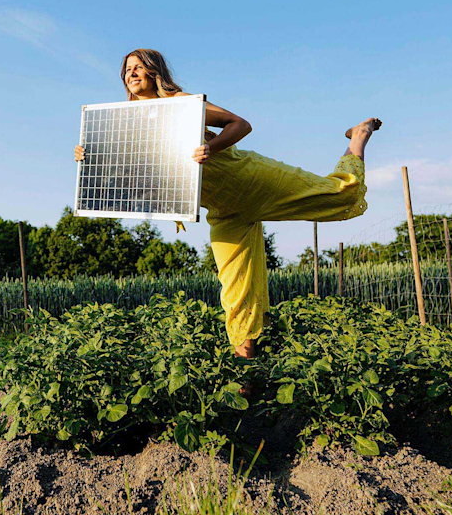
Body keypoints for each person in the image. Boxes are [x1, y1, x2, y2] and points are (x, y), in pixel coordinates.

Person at [74, 48, 380, 359]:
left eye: (139, 67)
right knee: (237, 293)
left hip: (249, 179)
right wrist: (90, 157)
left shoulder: (181, 105)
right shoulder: (125, 126)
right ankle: (245, 371)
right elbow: (131, 180)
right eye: (127, 70)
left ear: (155, 72)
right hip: (224, 211)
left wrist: (209, 145)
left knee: (344, 197)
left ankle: (358, 135)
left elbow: (240, 124)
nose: (132, 73)